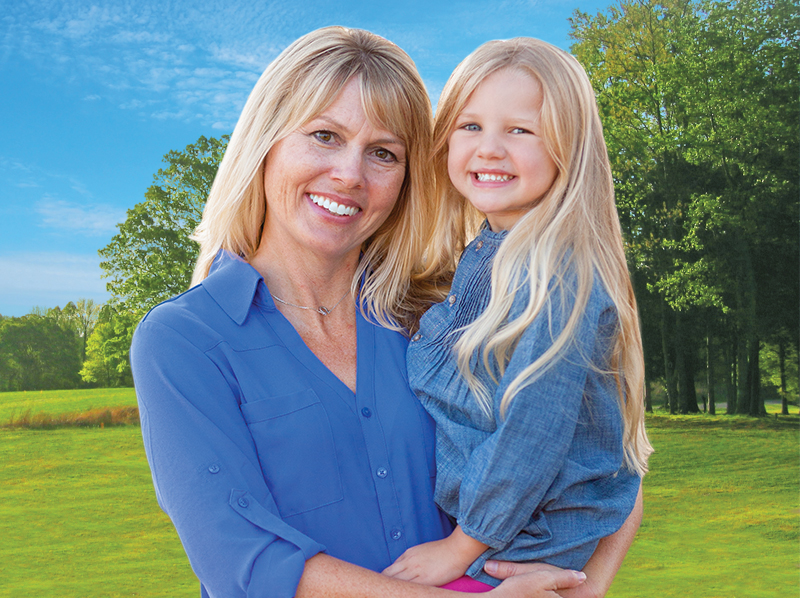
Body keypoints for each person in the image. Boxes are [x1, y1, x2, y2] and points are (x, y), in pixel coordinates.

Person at [131, 27, 640, 598]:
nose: (350, 174)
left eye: (383, 153)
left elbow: (600, 450)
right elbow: (240, 562)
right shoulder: (184, 339)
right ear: (265, 143)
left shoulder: (437, 315)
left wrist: (583, 587)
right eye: (324, 135)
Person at [382, 38, 653, 593]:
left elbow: (534, 430)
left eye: (520, 130)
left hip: (517, 548)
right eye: (470, 126)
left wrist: (462, 546)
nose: (489, 149)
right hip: (498, 536)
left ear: (568, 149)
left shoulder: (559, 276)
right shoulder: (483, 253)